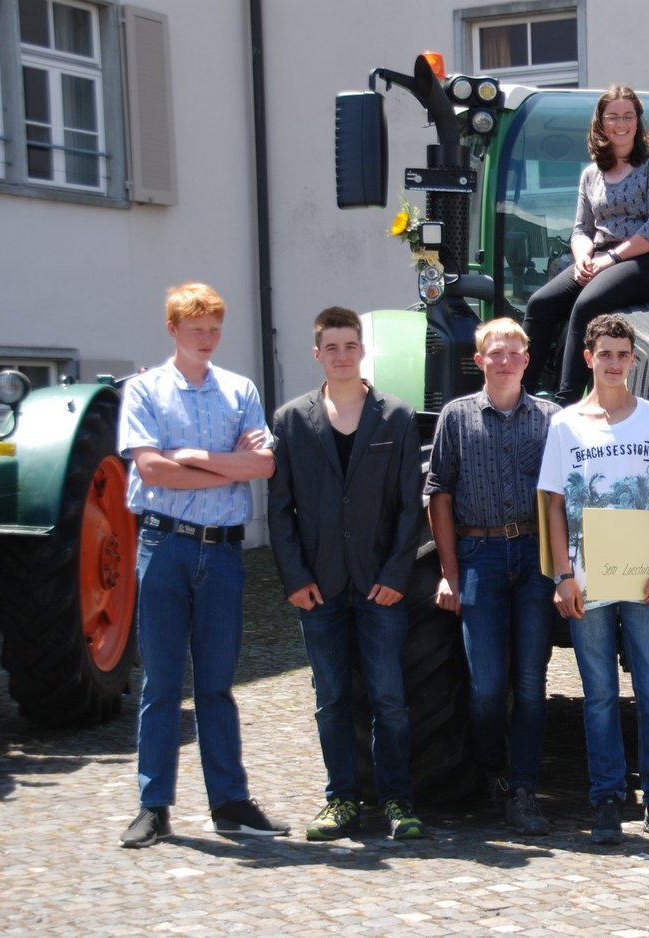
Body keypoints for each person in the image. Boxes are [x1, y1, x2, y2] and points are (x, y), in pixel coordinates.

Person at [117, 282, 288, 848]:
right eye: (197, 330)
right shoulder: (144, 392)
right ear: (173, 331)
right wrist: (227, 465)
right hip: (164, 546)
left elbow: (263, 466)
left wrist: (191, 456)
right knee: (162, 682)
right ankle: (153, 804)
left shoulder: (239, 390)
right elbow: (152, 472)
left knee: (218, 684)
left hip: (222, 549)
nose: (208, 339)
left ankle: (230, 803)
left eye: (214, 329)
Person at [268, 307, 425, 842]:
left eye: (349, 346)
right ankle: (340, 799)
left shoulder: (396, 417)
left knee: (389, 699)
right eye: (331, 348)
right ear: (317, 354)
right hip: (319, 585)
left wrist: (398, 572)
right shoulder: (291, 420)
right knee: (331, 698)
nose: (341, 356)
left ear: (362, 351)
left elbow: (411, 506)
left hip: (382, 584)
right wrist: (294, 577)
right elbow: (280, 509)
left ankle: (399, 801)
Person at [538, 313, 649, 845]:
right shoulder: (565, 424)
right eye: (604, 353)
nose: (613, 362)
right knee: (599, 694)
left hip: (648, 579)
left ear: (633, 360)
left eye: (622, 354)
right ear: (588, 358)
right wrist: (563, 574)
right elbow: (554, 507)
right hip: (588, 581)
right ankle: (606, 799)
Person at [426, 318, 560, 835]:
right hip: (478, 550)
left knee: (530, 681)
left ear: (527, 360)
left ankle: (524, 790)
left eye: (513, 353)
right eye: (493, 353)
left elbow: (564, 495)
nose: (504, 361)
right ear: (479, 360)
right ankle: (494, 768)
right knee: (486, 686)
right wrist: (448, 573)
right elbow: (438, 494)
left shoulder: (551, 418)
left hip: (533, 556)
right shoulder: (456, 418)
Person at [522, 85, 649, 404]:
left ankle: (565, 402)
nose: (621, 124)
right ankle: (519, 395)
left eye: (628, 116)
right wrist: (582, 259)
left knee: (587, 304)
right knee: (540, 303)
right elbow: (581, 230)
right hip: (603, 258)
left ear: (638, 121)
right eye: (613, 117)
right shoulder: (591, 174)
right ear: (601, 123)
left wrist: (611, 259)